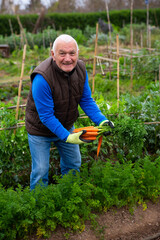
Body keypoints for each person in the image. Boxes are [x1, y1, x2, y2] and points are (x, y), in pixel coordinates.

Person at [25, 34, 114, 190]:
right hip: (39, 130)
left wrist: (102, 121)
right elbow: (46, 116)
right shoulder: (42, 78)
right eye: (62, 53)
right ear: (53, 54)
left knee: (73, 164)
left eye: (72, 53)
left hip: (66, 125)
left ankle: (68, 196)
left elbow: (86, 100)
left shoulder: (80, 69)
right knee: (40, 171)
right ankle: (38, 205)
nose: (68, 58)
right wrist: (67, 137)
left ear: (77, 53)